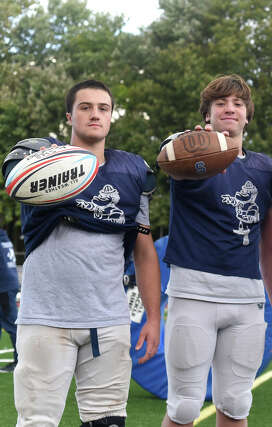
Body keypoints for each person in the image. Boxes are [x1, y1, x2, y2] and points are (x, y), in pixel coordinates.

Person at [2, 79, 161, 426]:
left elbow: (143, 248)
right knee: (37, 421)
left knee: (108, 422)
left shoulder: (132, 173)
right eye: (85, 107)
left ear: (111, 117)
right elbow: (12, 173)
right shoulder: (41, 161)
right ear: (69, 116)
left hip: (107, 318)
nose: (95, 114)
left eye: (103, 108)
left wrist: (153, 316)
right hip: (45, 316)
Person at [160, 74, 272, 427]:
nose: (230, 108)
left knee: (235, 405)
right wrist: (195, 143)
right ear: (207, 115)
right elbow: (168, 153)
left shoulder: (265, 169)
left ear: (248, 114)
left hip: (246, 299)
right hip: (193, 292)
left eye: (238, 103)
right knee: (184, 407)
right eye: (221, 103)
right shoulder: (185, 154)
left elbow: (270, 247)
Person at [0, 227, 18, 373]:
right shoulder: (4, 237)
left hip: (3, 286)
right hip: (8, 284)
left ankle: (19, 361)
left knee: (11, 324)